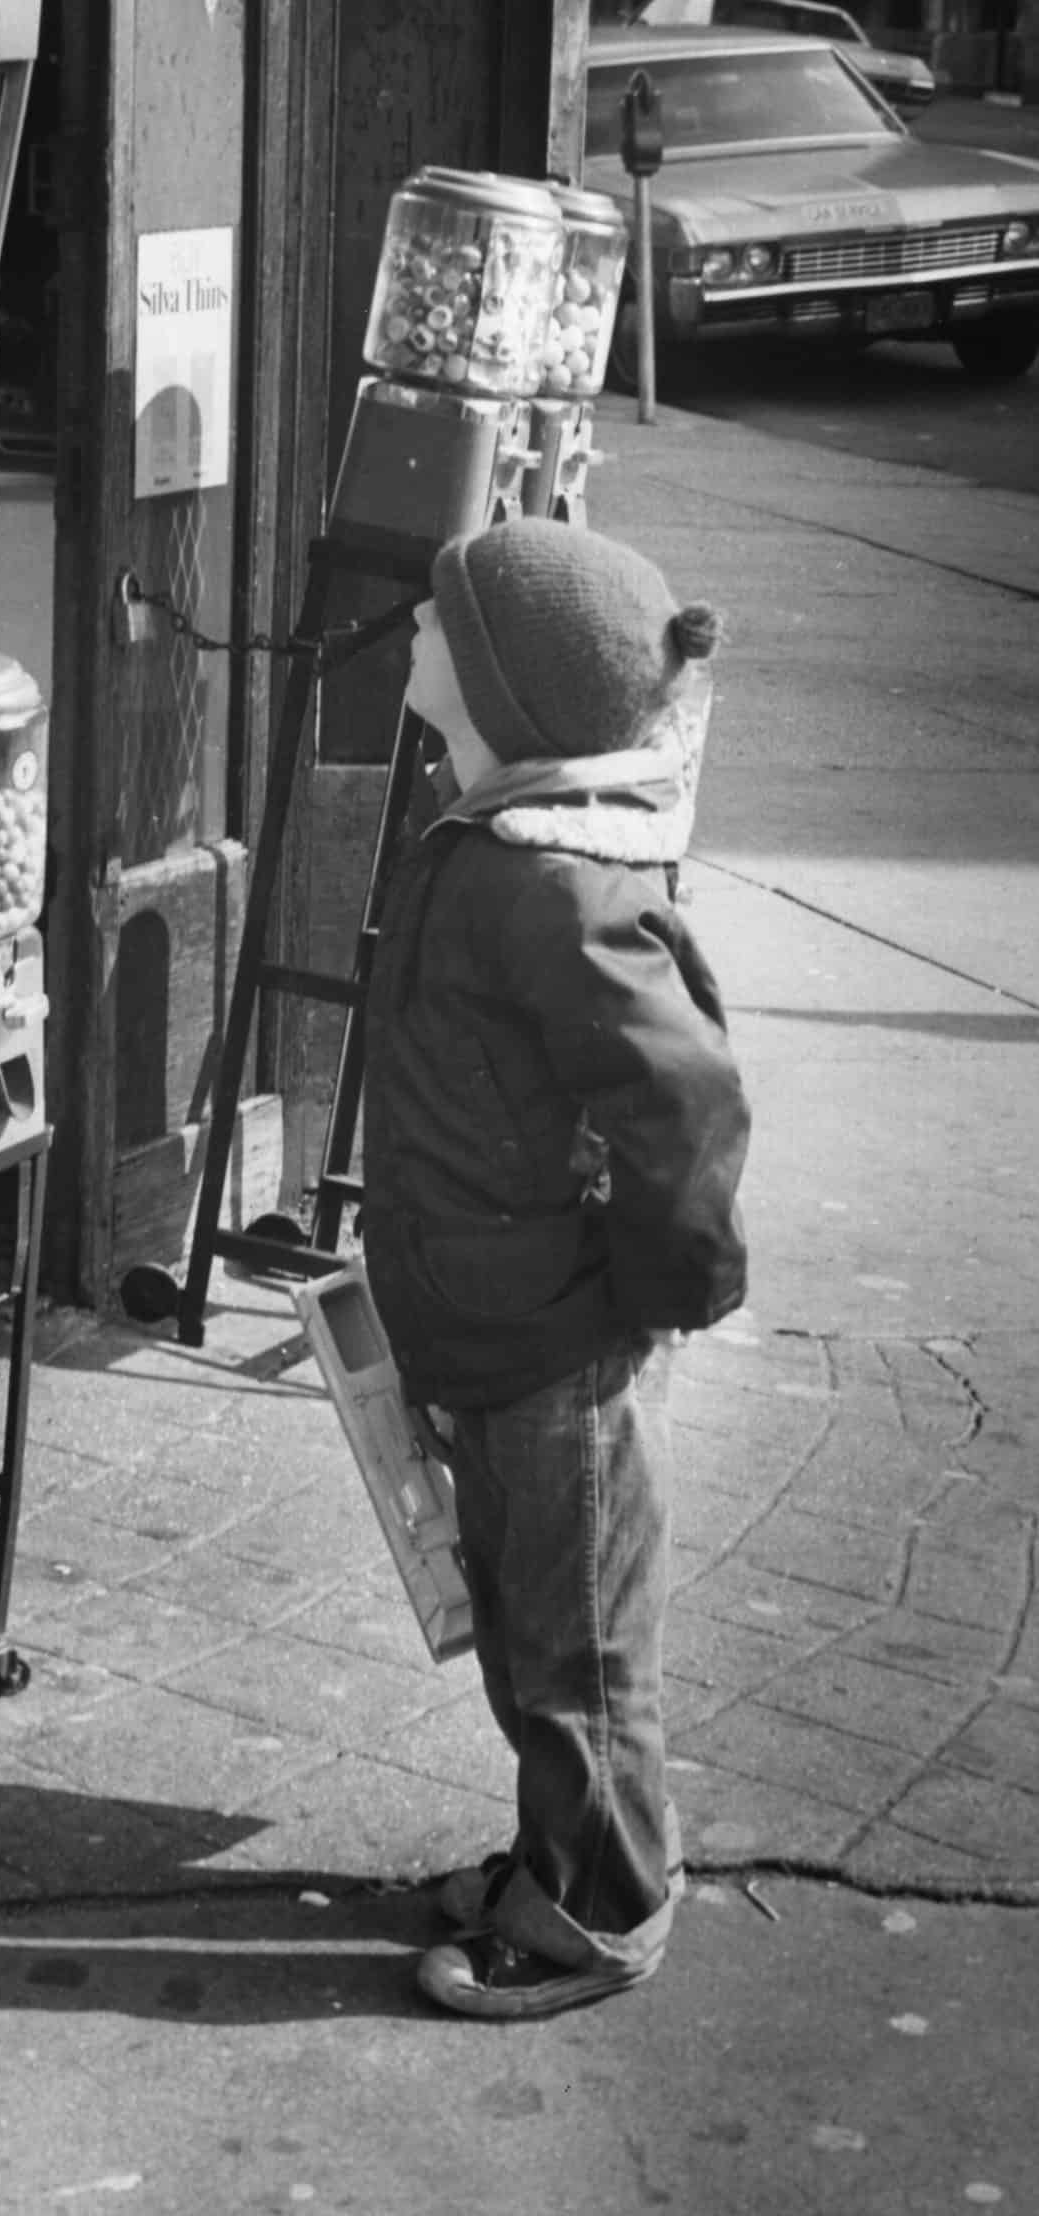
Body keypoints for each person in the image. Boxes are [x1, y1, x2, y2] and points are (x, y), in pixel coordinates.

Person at [361, 518, 751, 2021]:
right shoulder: (494, 833)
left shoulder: (556, 886)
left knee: (576, 1642)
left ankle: (600, 1908)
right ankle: (555, 1851)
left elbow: (685, 1099)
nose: (410, 627)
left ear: (501, 691)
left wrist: (661, 1291)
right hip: (490, 1316)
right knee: (529, 1628)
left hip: (549, 1343)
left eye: (438, 621)